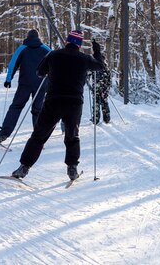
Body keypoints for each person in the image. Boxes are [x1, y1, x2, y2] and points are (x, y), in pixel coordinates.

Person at [11, 30, 105, 181]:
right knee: (72, 136)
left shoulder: (53, 55)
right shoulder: (85, 58)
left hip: (53, 101)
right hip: (74, 103)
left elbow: (39, 72)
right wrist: (97, 51)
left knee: (39, 135)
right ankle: (72, 168)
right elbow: (100, 66)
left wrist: (50, 71)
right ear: (79, 44)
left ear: (67, 41)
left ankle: (24, 167)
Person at [0, 29, 51, 144]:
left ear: (27, 37)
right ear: (38, 37)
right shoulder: (46, 49)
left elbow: (12, 64)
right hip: (41, 85)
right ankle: (38, 138)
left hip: (25, 84)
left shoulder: (22, 48)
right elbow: (55, 62)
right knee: (38, 110)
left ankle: (4, 133)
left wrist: (8, 79)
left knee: (16, 107)